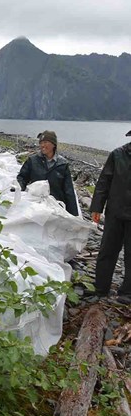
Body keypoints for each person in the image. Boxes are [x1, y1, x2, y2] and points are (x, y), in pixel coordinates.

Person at [88, 130, 131, 304]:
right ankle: (100, 289)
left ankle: (127, 292)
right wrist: (97, 207)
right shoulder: (117, 155)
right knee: (107, 251)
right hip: (115, 212)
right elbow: (104, 181)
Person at [16, 130, 79, 216]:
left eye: (45, 142)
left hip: (56, 208)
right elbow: (22, 177)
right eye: (41, 143)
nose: (42, 145)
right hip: (36, 207)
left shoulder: (62, 164)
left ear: (53, 144)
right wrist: (18, 188)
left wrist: (73, 215)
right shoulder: (32, 161)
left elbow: (69, 191)